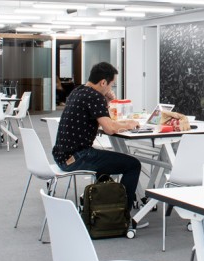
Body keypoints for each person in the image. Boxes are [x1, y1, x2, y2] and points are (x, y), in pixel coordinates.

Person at [52, 62, 144, 225]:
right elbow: (109, 128)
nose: (111, 88)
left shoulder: (78, 91)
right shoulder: (94, 96)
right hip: (78, 157)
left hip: (62, 156)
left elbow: (100, 117)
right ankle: (122, 217)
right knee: (133, 165)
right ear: (103, 82)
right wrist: (129, 124)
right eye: (111, 84)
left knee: (107, 164)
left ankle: (105, 207)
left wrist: (106, 100)